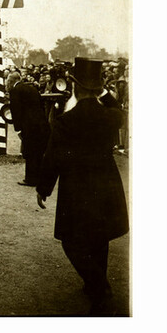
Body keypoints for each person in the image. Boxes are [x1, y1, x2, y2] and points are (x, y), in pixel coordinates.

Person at [36, 57, 129, 315]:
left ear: (75, 87)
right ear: (96, 87)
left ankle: (100, 287)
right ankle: (93, 284)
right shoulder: (110, 116)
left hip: (77, 186)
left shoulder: (65, 121)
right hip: (106, 183)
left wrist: (44, 187)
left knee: (71, 241)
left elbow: (52, 156)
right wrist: (103, 92)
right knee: (99, 236)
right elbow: (118, 108)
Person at [8, 70, 50, 186]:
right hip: (40, 123)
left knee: (30, 152)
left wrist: (18, 129)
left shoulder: (15, 91)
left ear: (12, 81)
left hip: (28, 126)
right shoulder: (32, 88)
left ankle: (30, 179)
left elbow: (16, 111)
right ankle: (39, 178)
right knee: (38, 152)